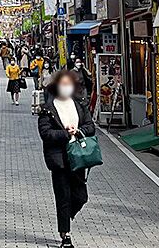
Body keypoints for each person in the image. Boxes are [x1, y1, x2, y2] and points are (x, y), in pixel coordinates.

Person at [38, 69, 96, 248]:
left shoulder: (79, 104)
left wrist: (78, 131)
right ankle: (65, 234)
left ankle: (65, 217)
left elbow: (90, 126)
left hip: (78, 156)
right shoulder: (48, 109)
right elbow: (45, 133)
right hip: (59, 159)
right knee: (63, 196)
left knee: (80, 196)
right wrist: (65, 133)